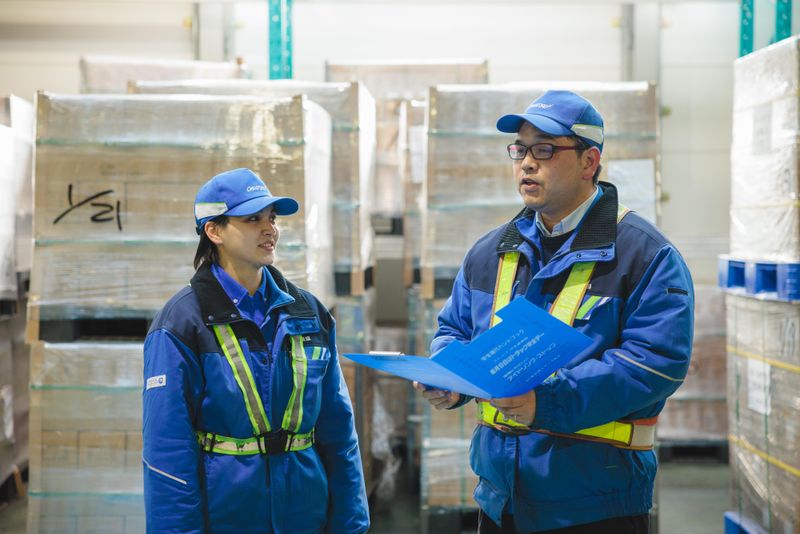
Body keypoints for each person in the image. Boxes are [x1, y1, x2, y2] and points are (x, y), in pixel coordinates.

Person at [415, 90, 694, 533]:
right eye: (520, 150)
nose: (527, 163)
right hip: (499, 497)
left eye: (544, 149)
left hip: (596, 504)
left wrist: (545, 402)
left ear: (589, 161)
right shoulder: (490, 251)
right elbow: (453, 329)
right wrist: (450, 376)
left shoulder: (645, 255)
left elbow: (656, 365)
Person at [142, 168, 369, 533]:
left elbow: (339, 431)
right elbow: (167, 450)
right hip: (229, 517)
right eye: (252, 219)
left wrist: (351, 524)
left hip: (304, 516)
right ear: (214, 231)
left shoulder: (308, 314)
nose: (270, 229)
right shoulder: (182, 324)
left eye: (272, 218)